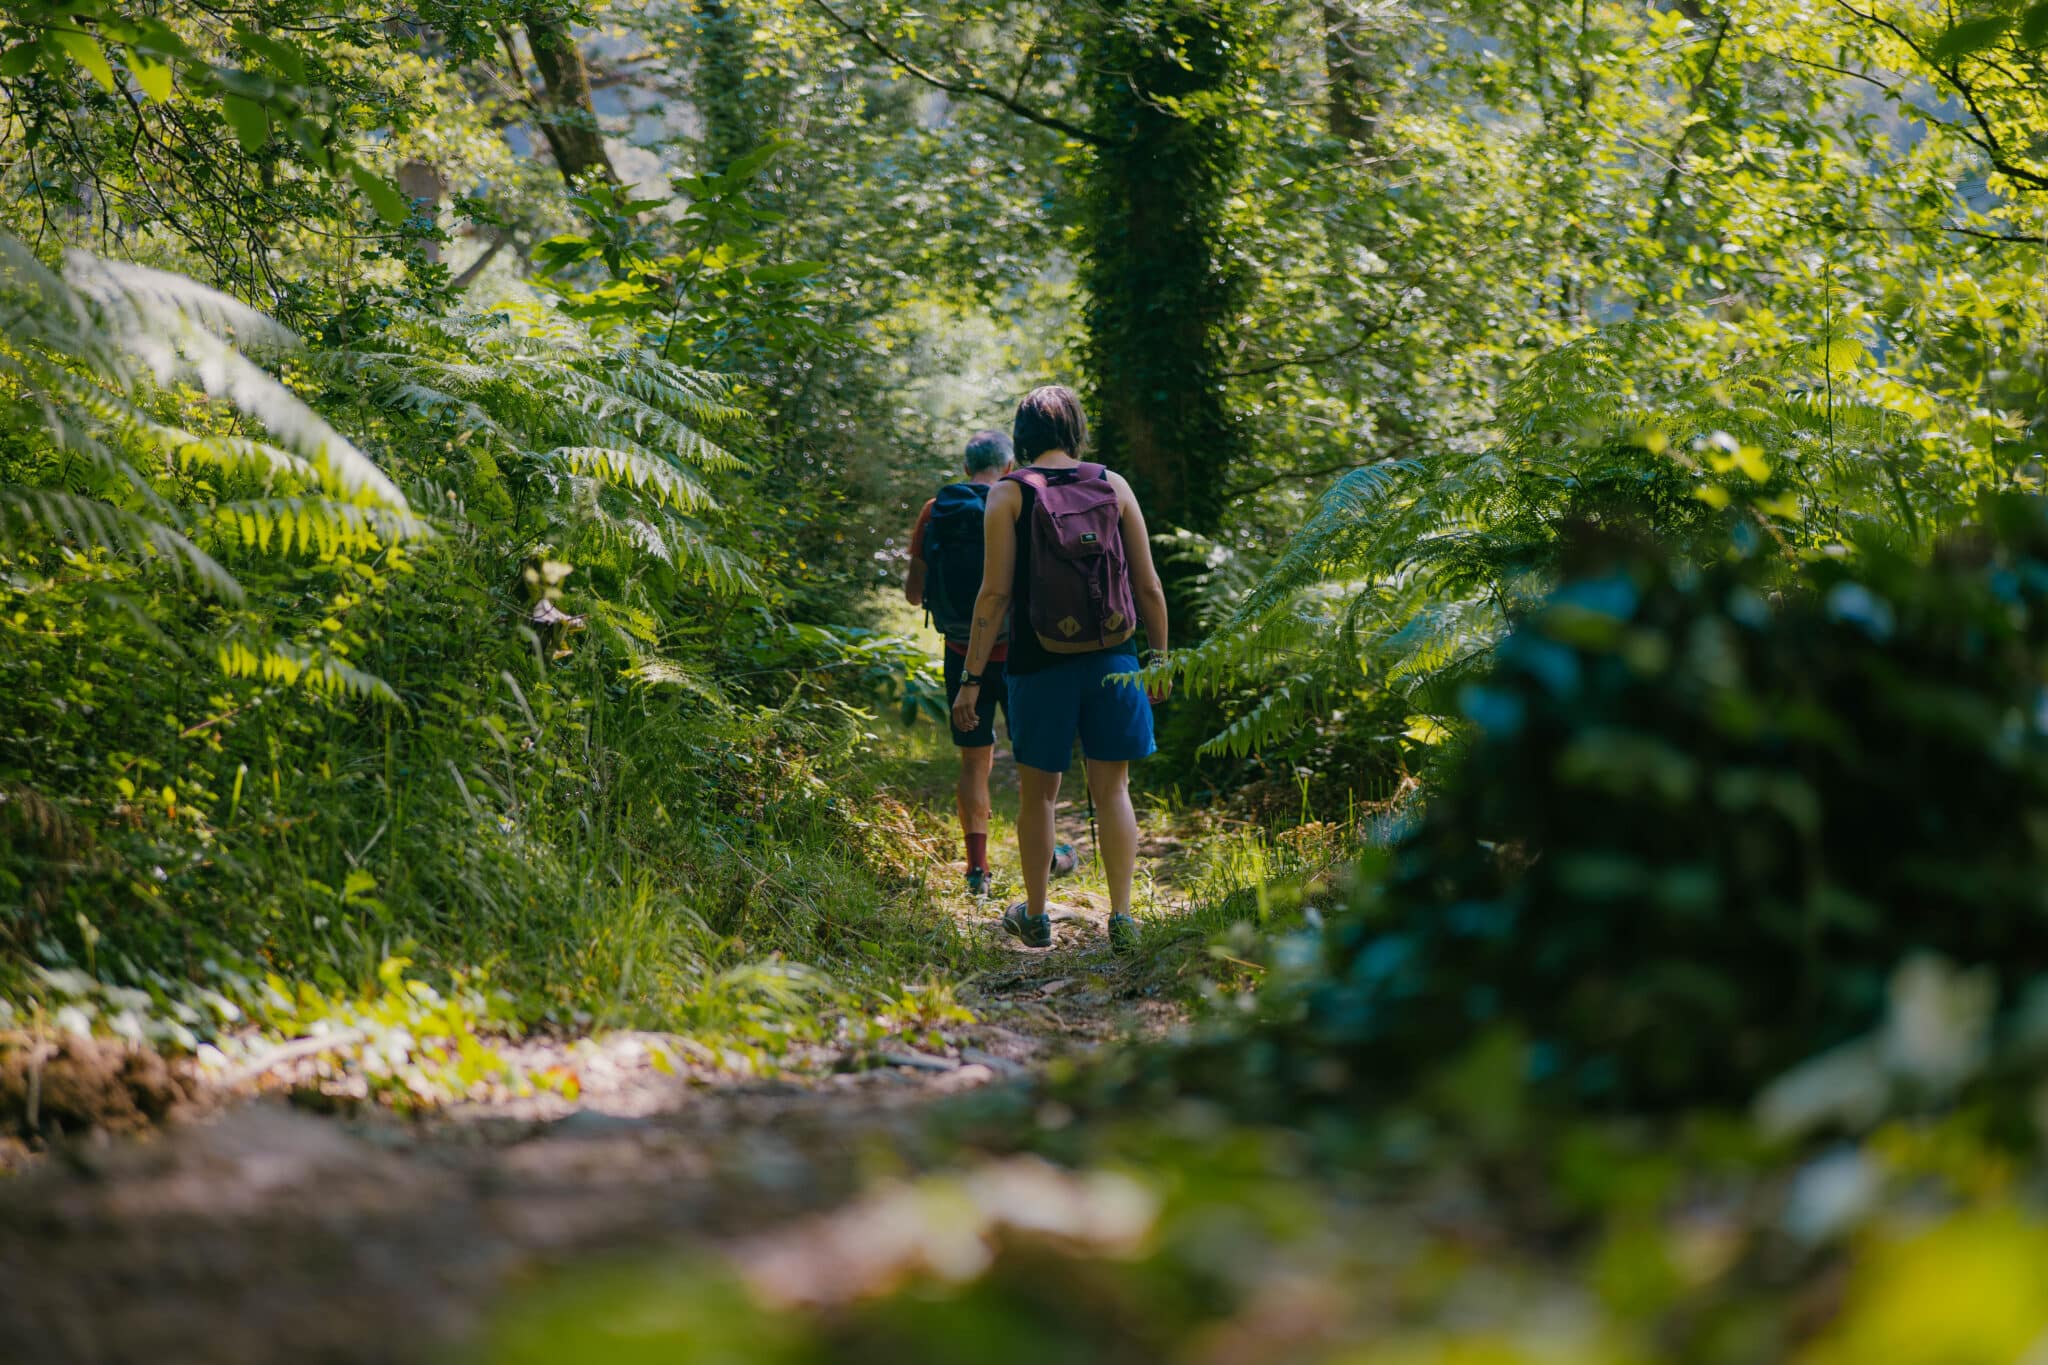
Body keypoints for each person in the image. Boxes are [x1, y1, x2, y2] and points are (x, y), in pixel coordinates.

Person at [952, 385, 1170, 952]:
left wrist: (972, 680)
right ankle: (1123, 919)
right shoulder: (1112, 485)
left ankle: (1039, 916)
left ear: (1021, 436)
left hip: (1037, 662)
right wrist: (1161, 658)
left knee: (1038, 795)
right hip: (1115, 659)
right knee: (1113, 789)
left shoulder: (1007, 494)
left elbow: (993, 596)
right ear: (1076, 429)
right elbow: (1147, 584)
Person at [906, 430, 1076, 896]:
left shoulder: (934, 510)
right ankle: (1048, 854)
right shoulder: (1019, 504)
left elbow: (914, 592)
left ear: (966, 469)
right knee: (1033, 760)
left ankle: (976, 871)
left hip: (962, 655)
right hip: (1021, 652)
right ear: (1007, 467)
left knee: (973, 761)